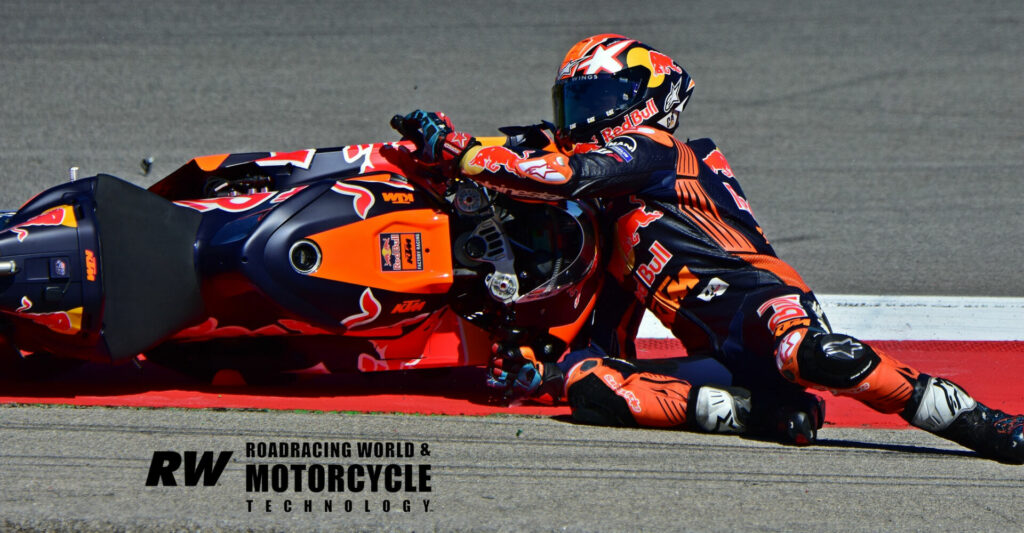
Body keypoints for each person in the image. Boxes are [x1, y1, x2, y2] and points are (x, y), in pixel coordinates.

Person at [394, 34, 1024, 463]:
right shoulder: (614, 217)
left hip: (762, 302)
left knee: (812, 352)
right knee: (588, 386)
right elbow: (605, 343)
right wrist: (543, 370)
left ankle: (984, 425)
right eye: (572, 101)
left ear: (642, 102)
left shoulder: (655, 152)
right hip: (719, 360)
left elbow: (563, 171)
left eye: (595, 100)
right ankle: (763, 414)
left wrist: (463, 152)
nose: (578, 115)